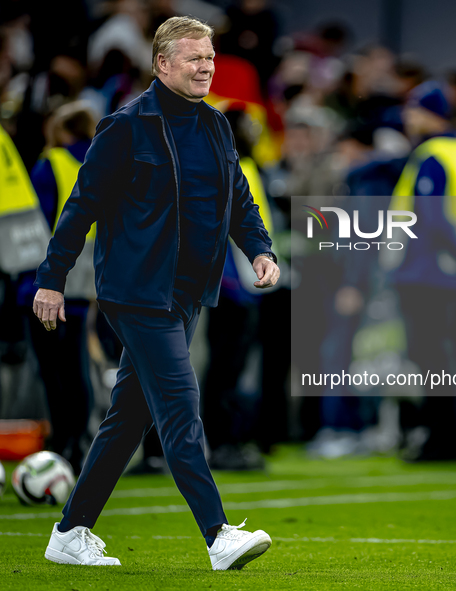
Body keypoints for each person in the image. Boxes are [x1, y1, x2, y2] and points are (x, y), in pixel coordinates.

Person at [34, 16, 279, 570]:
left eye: (209, 57)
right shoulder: (124, 127)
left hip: (188, 294)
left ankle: (70, 532)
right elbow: (81, 209)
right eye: (194, 58)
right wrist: (51, 279)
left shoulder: (217, 126)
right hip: (137, 292)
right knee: (179, 404)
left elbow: (239, 200)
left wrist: (260, 250)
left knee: (127, 420)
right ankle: (218, 535)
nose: (206, 66)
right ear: (162, 64)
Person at [390, 81, 456, 461]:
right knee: (449, 357)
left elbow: (432, 217)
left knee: (428, 356)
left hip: (424, 270)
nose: (407, 117)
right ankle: (450, 435)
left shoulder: (431, 155)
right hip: (454, 273)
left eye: (413, 110)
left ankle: (440, 440)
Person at [18, 102, 98, 474]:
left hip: (46, 283)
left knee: (52, 371)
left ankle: (63, 443)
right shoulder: (103, 165)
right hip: (86, 285)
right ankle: (78, 444)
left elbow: (33, 226)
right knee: (76, 367)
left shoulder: (51, 163)